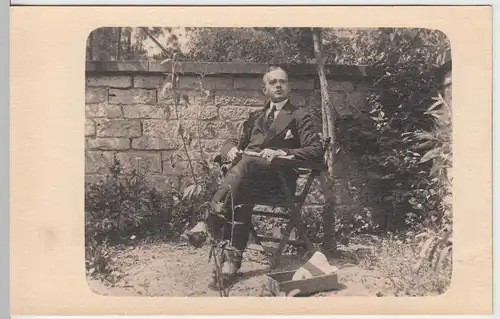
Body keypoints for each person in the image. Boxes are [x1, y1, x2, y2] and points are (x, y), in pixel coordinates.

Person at [210, 66, 324, 286]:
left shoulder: (300, 116)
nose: (279, 85)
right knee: (238, 187)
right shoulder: (256, 117)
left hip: (278, 183)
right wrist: (230, 150)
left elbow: (315, 150)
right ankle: (230, 263)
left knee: (246, 165)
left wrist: (284, 152)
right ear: (265, 89)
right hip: (247, 181)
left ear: (289, 86)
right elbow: (231, 142)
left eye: (282, 81)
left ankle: (211, 216)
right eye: (273, 82)